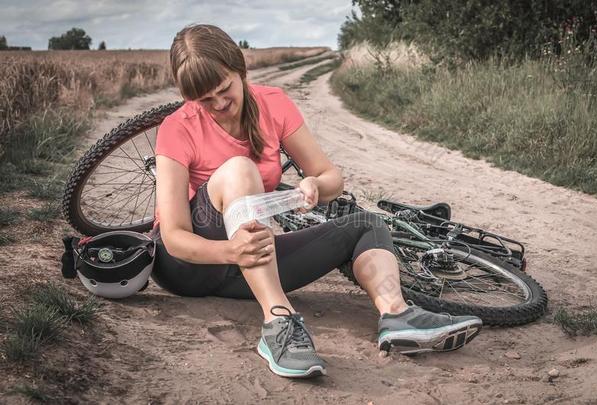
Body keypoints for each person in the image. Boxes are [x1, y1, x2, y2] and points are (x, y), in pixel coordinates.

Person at [151, 23, 483, 379]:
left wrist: (313, 185)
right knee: (238, 170)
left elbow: (331, 178)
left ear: (241, 70)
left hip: (247, 265)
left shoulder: (273, 104)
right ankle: (278, 323)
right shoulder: (177, 127)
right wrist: (232, 252)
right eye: (205, 101)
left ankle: (397, 316)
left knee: (366, 225)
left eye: (224, 89)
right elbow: (173, 237)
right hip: (190, 266)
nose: (219, 105)